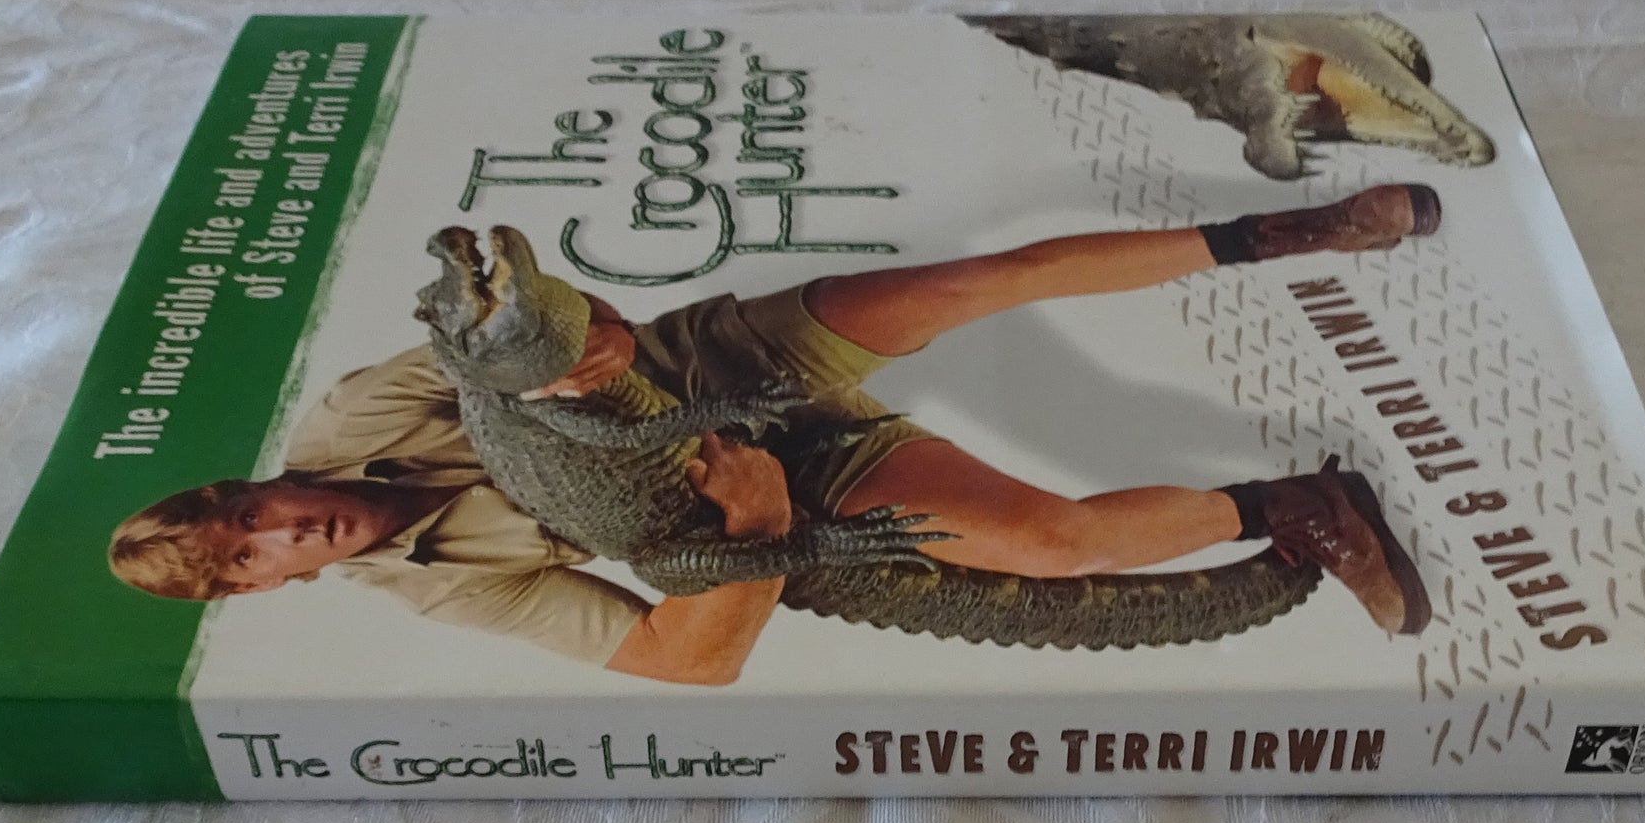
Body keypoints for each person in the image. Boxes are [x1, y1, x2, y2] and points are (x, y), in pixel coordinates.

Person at [110, 184, 1439, 684]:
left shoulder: (352, 415)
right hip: (764, 491)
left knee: (975, 284)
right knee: (1049, 547)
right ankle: (1295, 511)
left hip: (707, 369)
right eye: (252, 556)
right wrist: (756, 523)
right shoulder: (445, 592)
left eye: (246, 511)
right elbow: (675, 662)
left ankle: (1292, 231)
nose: (281, 529)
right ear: (264, 587)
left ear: (244, 488)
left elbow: (566, 338)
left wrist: (580, 346)